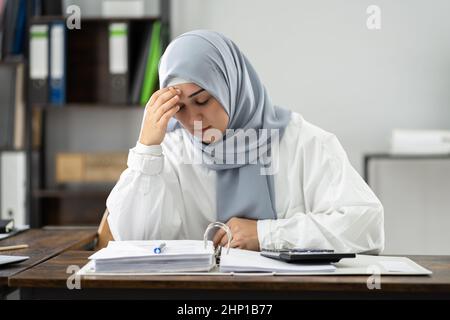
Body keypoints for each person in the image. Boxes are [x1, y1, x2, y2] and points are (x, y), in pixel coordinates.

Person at [106, 30, 384, 254]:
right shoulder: (170, 151)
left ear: (232, 85)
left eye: (202, 100)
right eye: (179, 108)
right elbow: (134, 241)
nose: (193, 120)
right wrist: (146, 149)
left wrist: (266, 235)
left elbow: (367, 224)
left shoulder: (302, 142)